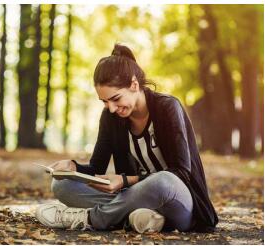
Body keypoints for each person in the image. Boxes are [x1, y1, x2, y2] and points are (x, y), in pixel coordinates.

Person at [35, 44, 218, 233]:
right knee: (62, 185)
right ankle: (143, 220)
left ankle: (91, 218)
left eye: (116, 99)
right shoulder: (110, 117)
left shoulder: (167, 108)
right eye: (105, 101)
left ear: (134, 84)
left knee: (163, 180)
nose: (112, 108)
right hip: (132, 198)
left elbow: (181, 173)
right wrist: (73, 167)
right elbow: (96, 168)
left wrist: (125, 181)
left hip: (177, 200)